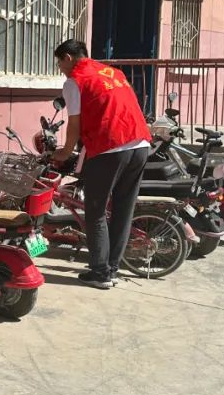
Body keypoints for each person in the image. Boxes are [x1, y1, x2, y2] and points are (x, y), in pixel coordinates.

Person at [51, 39, 151, 290]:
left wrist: (64, 152)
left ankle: (100, 272)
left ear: (68, 58)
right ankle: (112, 269)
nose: (60, 69)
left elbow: (74, 123)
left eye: (59, 63)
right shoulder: (113, 72)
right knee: (123, 210)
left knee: (95, 211)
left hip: (110, 147)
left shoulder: (74, 81)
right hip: (140, 144)